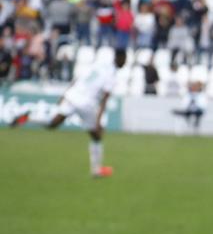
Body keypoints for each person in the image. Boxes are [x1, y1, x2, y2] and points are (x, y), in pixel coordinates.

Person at [10, 48, 126, 178]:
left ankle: (28, 117)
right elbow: (104, 99)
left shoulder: (98, 65)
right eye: (124, 60)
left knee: (52, 124)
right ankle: (96, 170)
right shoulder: (111, 75)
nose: (124, 63)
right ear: (119, 58)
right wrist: (98, 121)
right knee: (97, 136)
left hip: (72, 95)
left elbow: (77, 79)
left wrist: (65, 94)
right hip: (85, 103)